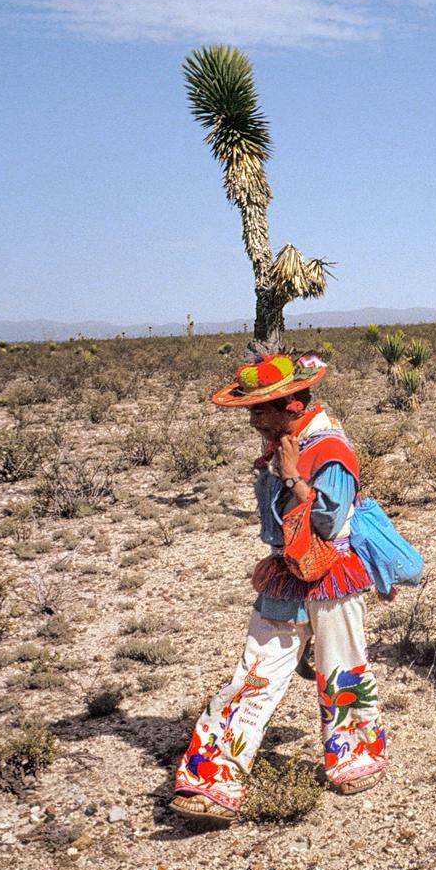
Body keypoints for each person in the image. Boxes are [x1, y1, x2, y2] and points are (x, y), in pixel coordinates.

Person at [172, 350, 388, 822]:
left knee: (342, 669)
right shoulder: (284, 446)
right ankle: (214, 777)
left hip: (330, 570)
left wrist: (292, 478)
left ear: (292, 405)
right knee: (256, 672)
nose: (252, 418)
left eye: (259, 409)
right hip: (286, 573)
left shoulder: (328, 449)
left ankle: (356, 758)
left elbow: (329, 521)